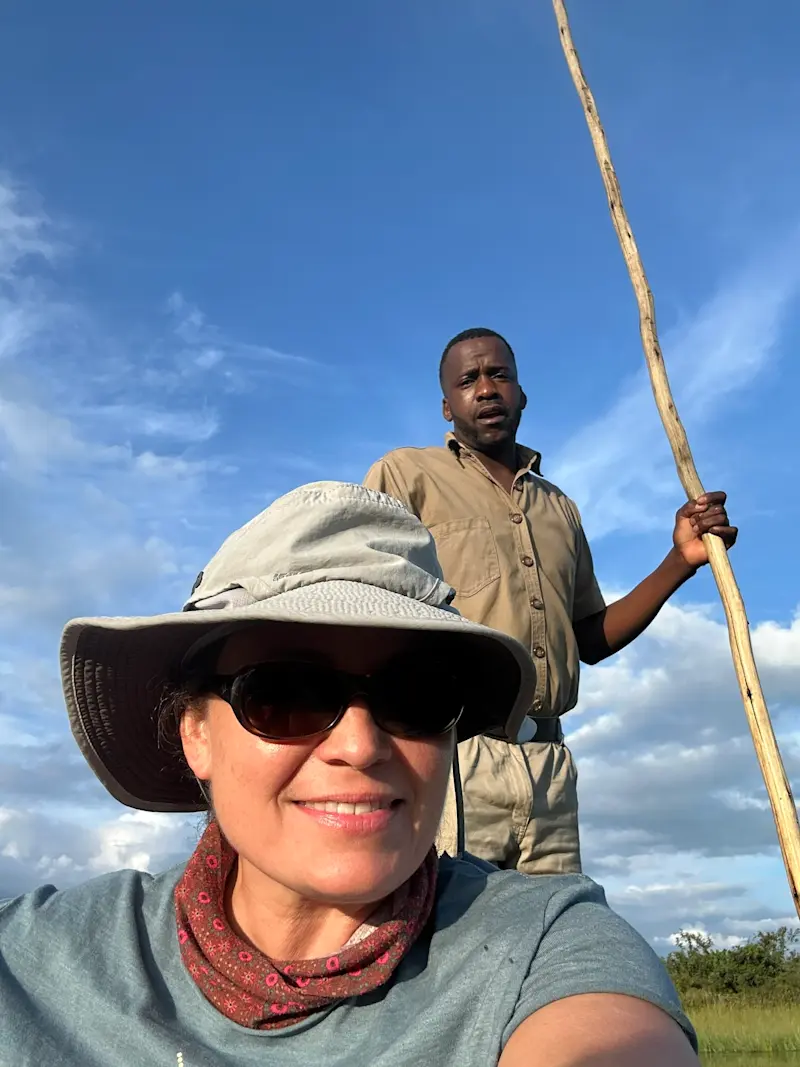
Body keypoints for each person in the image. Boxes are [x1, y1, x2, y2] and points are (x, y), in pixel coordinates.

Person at [0, 481, 699, 1066]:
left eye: (417, 695)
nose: (360, 745)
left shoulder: (544, 945)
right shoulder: (39, 958)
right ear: (196, 735)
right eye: (286, 694)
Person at [364, 328, 738, 875]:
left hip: (551, 770)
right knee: (449, 923)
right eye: (468, 380)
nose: (486, 389)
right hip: (456, 758)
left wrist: (680, 560)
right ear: (447, 406)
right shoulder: (406, 475)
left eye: (499, 374)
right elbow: (370, 606)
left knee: (555, 922)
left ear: (521, 394)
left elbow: (590, 639)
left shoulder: (559, 507)